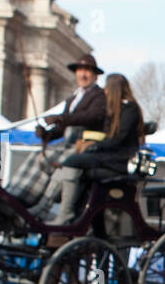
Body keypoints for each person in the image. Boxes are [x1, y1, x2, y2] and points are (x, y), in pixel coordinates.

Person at [6, 55, 106, 210]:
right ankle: (16, 194)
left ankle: (35, 203)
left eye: (87, 71)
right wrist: (47, 134)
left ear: (95, 75)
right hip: (66, 141)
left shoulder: (99, 96)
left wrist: (61, 118)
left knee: (49, 158)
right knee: (37, 156)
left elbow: (92, 117)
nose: (82, 75)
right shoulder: (73, 99)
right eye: (80, 71)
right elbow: (62, 128)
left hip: (83, 144)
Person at [45, 73, 144, 226]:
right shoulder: (117, 110)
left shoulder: (129, 109)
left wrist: (94, 144)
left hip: (119, 160)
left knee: (71, 161)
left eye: (107, 87)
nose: (105, 91)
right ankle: (52, 207)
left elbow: (117, 139)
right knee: (70, 163)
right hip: (109, 156)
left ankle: (65, 213)